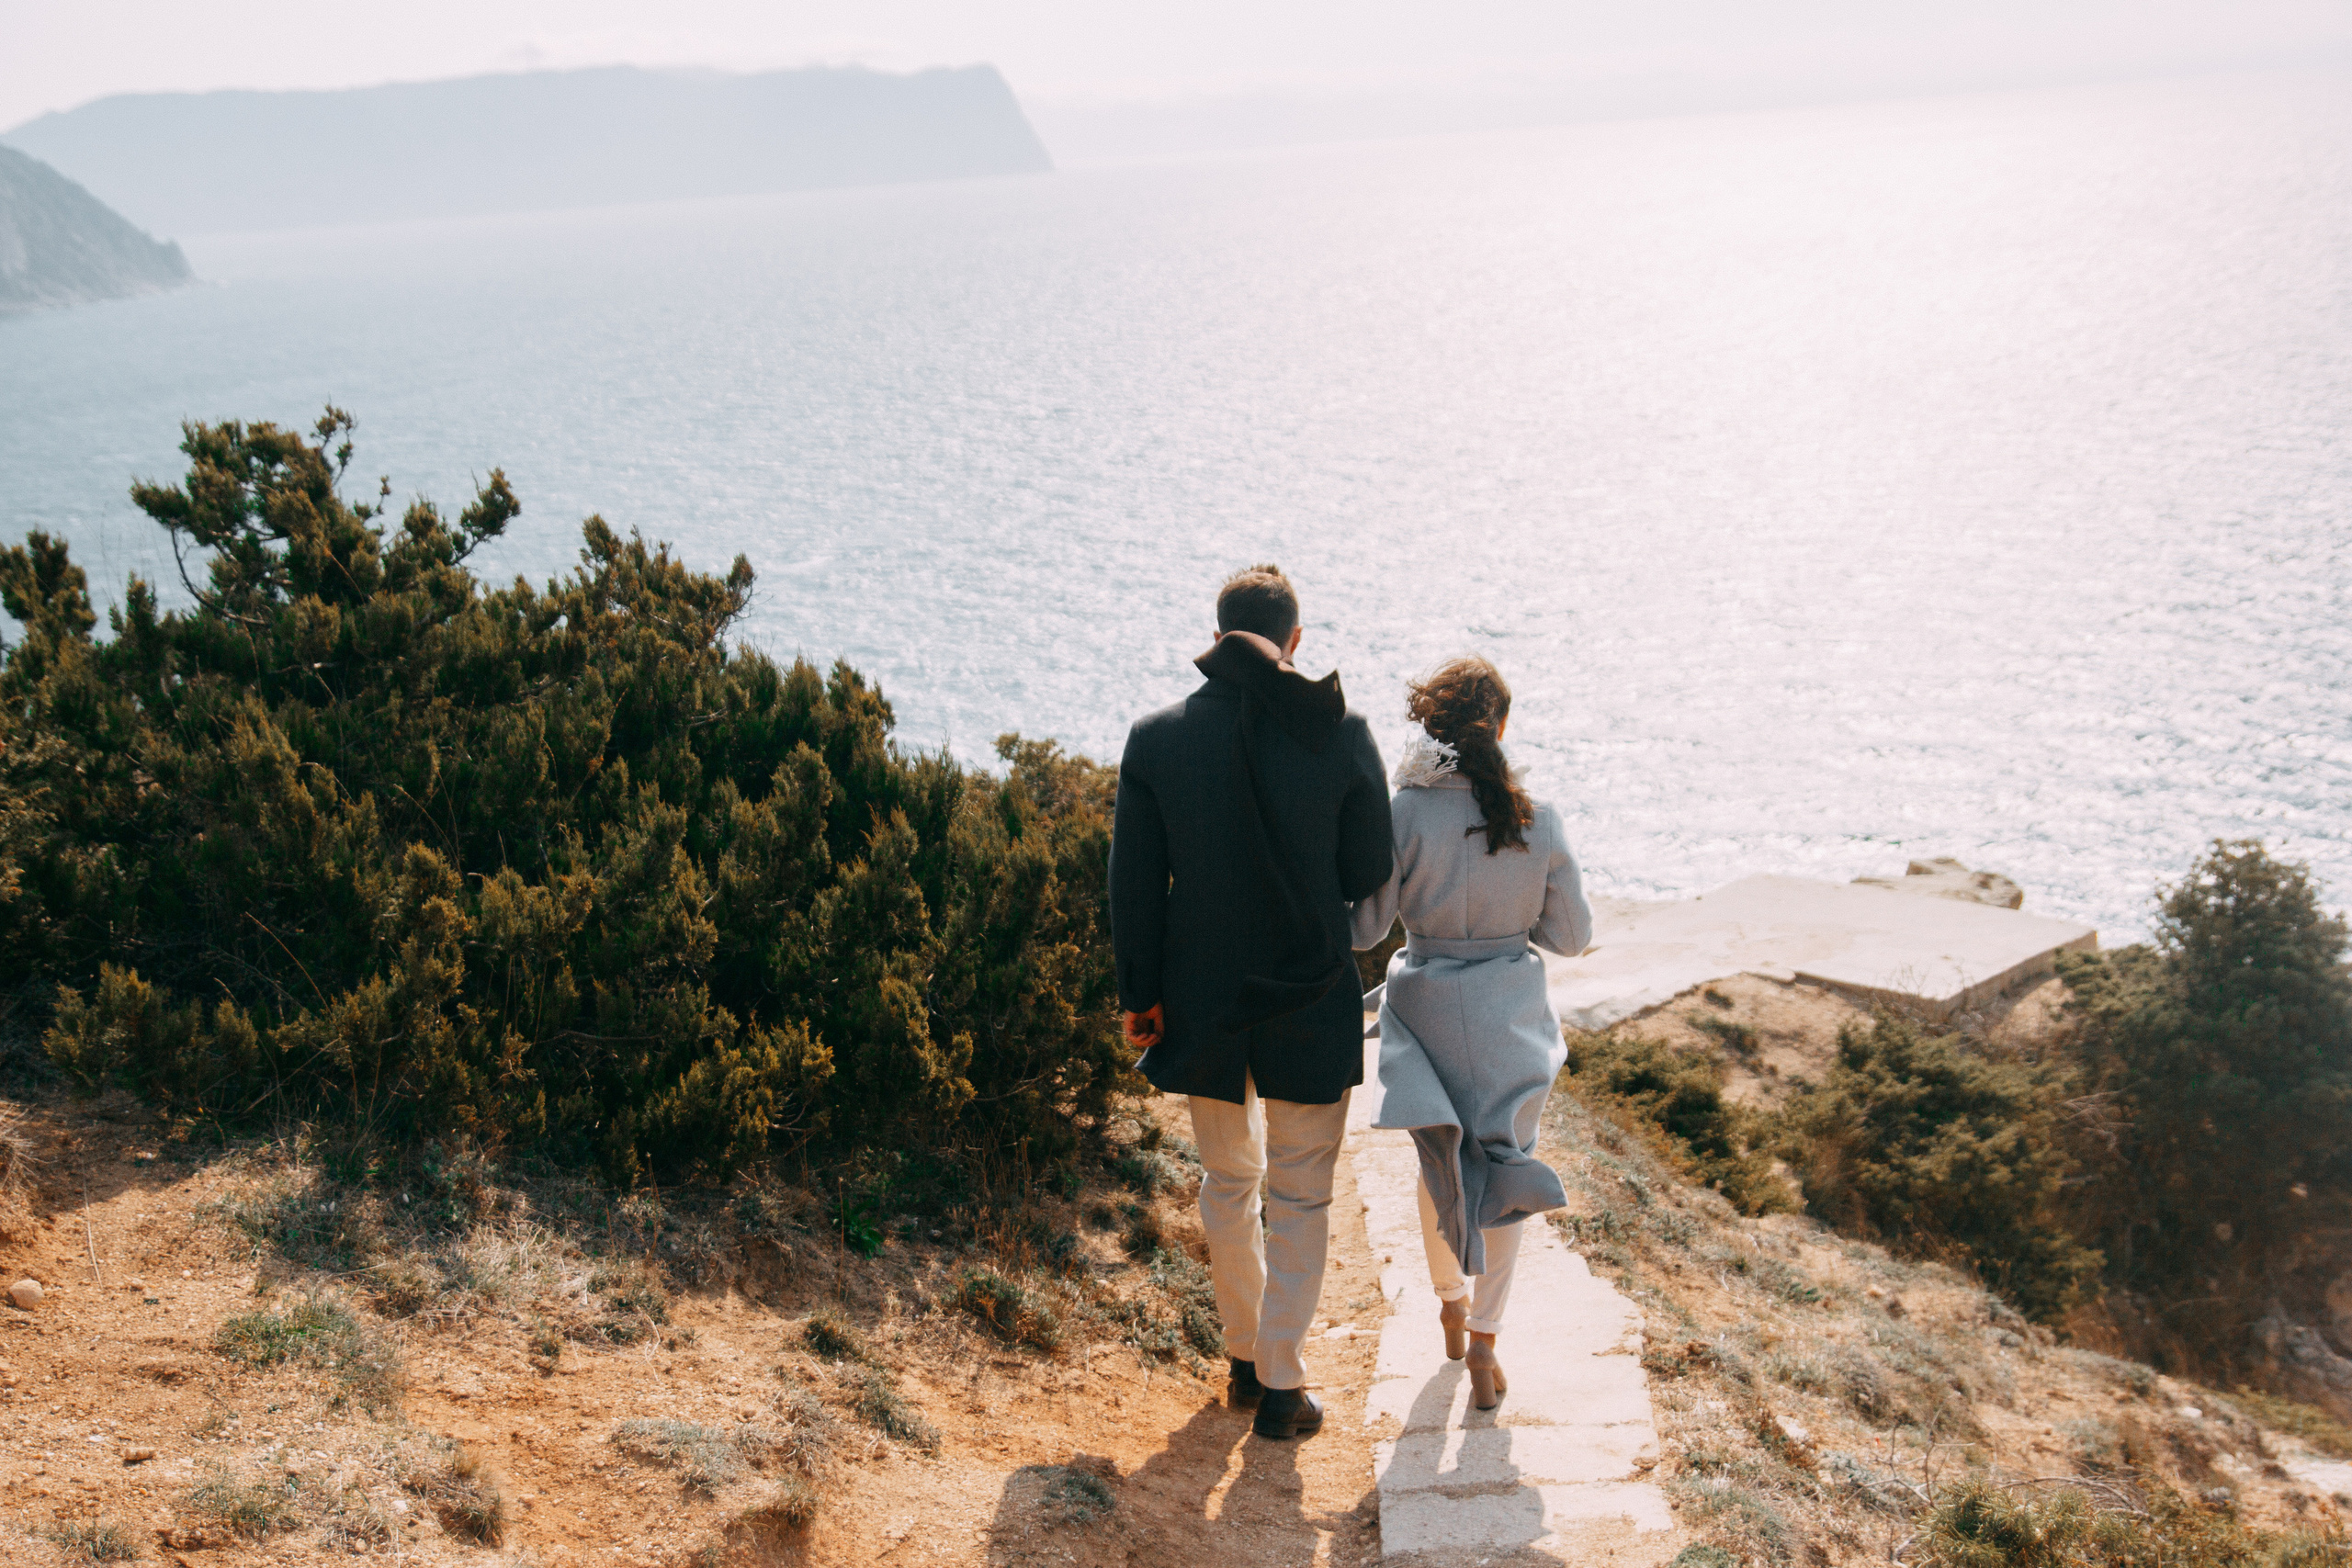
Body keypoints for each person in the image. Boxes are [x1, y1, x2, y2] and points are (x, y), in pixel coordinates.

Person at [1111, 564, 1394, 1441]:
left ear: (1220, 625)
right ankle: (1281, 1383)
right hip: (1310, 992)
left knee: (1228, 1181)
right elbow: (1367, 872)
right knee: (1302, 1194)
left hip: (1202, 999)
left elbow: (1133, 887)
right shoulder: (1342, 730)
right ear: (1295, 640)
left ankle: (1241, 1358)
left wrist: (1140, 996)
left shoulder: (1155, 737)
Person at [1350, 655, 1591, 1412]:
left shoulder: (1401, 810)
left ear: (1433, 726)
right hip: (1508, 1017)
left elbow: (1366, 925)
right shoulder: (1537, 816)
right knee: (1506, 1172)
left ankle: (1450, 1305)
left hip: (1424, 1010)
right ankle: (1485, 1342)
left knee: (1439, 1162)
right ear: (1503, 726)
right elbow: (1573, 935)